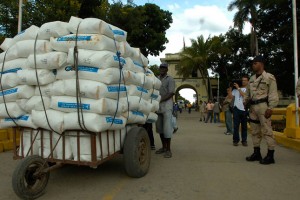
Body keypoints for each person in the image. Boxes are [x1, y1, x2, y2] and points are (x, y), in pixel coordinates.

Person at [245, 55, 279, 165]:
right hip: (253, 107)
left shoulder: (269, 77)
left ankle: (270, 155)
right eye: (252, 63)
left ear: (261, 64)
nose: (253, 65)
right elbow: (248, 94)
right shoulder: (251, 79)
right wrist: (245, 102)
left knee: (267, 130)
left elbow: (273, 93)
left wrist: (271, 107)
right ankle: (256, 152)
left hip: (263, 106)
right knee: (254, 130)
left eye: (255, 63)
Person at [155, 63, 175, 158]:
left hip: (167, 104)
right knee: (159, 127)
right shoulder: (156, 78)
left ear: (167, 70)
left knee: (167, 127)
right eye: (161, 67)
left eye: (164, 68)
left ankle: (168, 150)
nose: (162, 69)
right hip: (157, 105)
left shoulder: (170, 79)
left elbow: (171, 93)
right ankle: (163, 147)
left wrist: (160, 99)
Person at [232, 75, 249, 146]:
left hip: (244, 109)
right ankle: (235, 140)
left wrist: (238, 88)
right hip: (236, 109)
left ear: (248, 81)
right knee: (236, 126)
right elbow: (230, 97)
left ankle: (244, 140)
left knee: (244, 126)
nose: (243, 81)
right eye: (242, 80)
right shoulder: (235, 89)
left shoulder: (248, 89)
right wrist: (230, 87)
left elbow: (245, 95)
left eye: (245, 80)